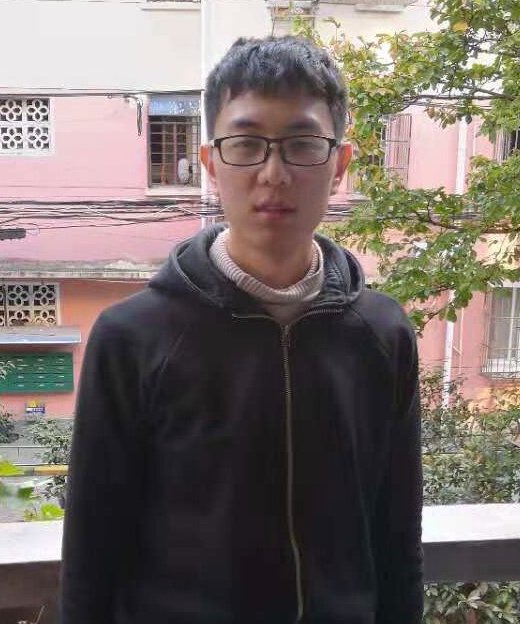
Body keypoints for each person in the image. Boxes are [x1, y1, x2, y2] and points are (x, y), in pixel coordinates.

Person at [60, 36, 423, 624]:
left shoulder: (382, 334)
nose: (273, 174)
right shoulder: (132, 338)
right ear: (211, 163)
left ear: (339, 165)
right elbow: (91, 551)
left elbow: (397, 536)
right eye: (247, 144)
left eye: (303, 144)